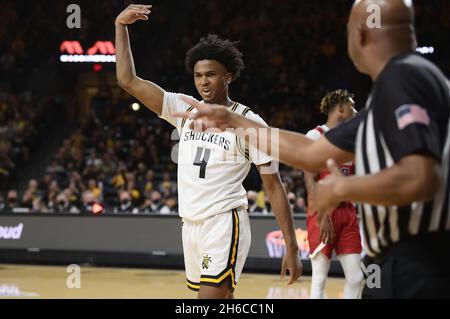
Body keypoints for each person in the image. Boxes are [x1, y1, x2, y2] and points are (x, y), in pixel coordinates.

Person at [175, 0, 450, 299]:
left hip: (418, 261)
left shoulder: (402, 77)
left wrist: (342, 188)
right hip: (396, 260)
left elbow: (420, 177)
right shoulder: (397, 90)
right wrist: (232, 119)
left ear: (358, 35)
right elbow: (311, 153)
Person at [115, 4, 301, 299]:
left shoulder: (249, 123)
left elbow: (274, 187)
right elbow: (128, 81)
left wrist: (291, 246)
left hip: (224, 222)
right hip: (190, 225)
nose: (203, 81)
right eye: (199, 75)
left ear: (228, 77)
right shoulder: (184, 108)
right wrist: (120, 27)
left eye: (211, 74)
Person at [303, 90, 362, 299]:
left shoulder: (354, 140)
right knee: (319, 278)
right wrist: (322, 213)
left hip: (348, 211)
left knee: (356, 277)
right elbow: (309, 179)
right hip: (323, 211)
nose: (356, 110)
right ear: (341, 108)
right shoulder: (315, 135)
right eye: (352, 106)